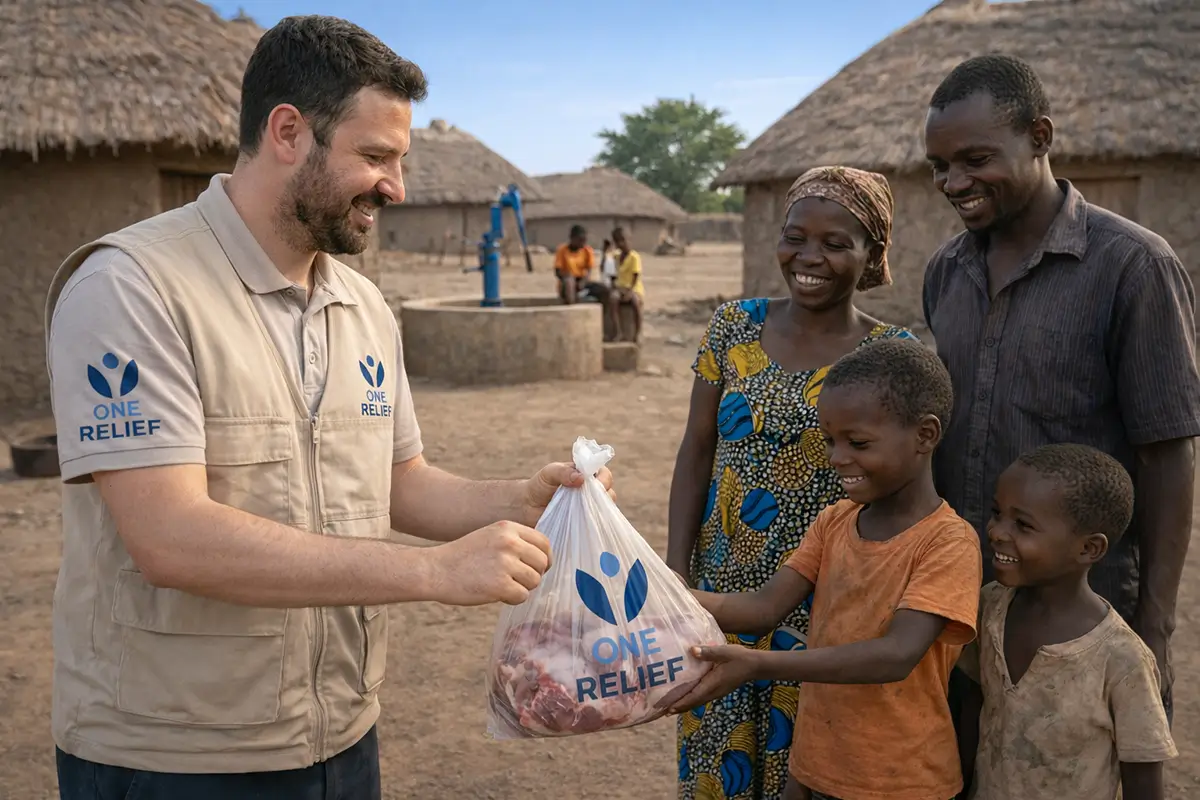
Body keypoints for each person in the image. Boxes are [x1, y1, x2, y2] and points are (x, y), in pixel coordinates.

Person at [43, 15, 613, 800]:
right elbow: (169, 538)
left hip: (339, 731)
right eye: (375, 156)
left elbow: (398, 482)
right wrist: (432, 572)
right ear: (287, 132)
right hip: (174, 751)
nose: (397, 187)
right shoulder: (134, 288)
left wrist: (523, 501)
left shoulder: (363, 305)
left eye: (400, 160)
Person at [922, 53, 1200, 724]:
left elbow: (1168, 456)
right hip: (963, 607)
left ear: (1040, 138)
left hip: (1082, 610)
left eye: (976, 159)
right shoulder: (945, 274)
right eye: (939, 167)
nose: (955, 182)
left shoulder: (1133, 266)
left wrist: (1154, 627)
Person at [666, 165, 919, 800]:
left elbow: (903, 488)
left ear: (871, 256)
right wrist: (676, 578)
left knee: (803, 772)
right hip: (721, 590)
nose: (810, 257)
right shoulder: (734, 326)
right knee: (717, 762)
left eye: (837, 244)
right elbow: (697, 450)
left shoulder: (890, 355)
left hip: (829, 601)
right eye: (795, 237)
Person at [668, 338, 983, 800]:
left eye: (857, 443)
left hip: (901, 779)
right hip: (816, 764)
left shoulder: (947, 543)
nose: (837, 458)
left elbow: (896, 655)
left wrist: (759, 664)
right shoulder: (835, 522)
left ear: (925, 436)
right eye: (830, 441)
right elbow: (761, 609)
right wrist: (660, 596)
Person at [957, 443, 1177, 800]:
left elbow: (1143, 776)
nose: (997, 531)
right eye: (997, 513)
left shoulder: (1121, 658)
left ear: (1089, 549)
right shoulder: (991, 606)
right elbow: (973, 702)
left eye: (1023, 525)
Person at [603, 226, 645, 342]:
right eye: (618, 241)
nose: (622, 243)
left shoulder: (634, 257)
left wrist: (630, 291)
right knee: (613, 299)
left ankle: (638, 333)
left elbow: (636, 277)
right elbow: (608, 271)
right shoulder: (615, 257)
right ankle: (618, 331)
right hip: (620, 288)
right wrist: (605, 252)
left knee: (635, 302)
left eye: (624, 240)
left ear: (629, 240)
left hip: (633, 288)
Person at [554, 223, 596, 304]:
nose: (583, 243)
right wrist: (569, 277)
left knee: (603, 289)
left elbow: (589, 270)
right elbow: (557, 271)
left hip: (582, 280)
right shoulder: (562, 250)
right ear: (572, 238)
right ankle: (572, 307)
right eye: (580, 240)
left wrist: (583, 282)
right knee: (570, 282)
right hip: (566, 281)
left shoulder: (587, 250)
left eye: (584, 240)